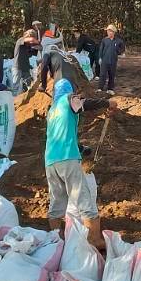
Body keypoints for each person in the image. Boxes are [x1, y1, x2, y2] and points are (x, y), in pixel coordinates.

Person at [45, 77, 103, 248]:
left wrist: (81, 149)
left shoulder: (52, 111)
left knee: (56, 202)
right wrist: (107, 104)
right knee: (84, 200)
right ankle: (94, 240)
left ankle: (58, 240)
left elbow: (59, 137)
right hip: (67, 158)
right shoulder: (68, 99)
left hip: (50, 161)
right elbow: (84, 104)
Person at [98, 24, 125, 94]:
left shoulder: (118, 41)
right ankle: (100, 88)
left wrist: (121, 53)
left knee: (111, 74)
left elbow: (122, 48)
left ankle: (110, 88)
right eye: (108, 31)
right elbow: (101, 49)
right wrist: (100, 58)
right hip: (104, 60)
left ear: (113, 32)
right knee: (103, 74)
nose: (108, 33)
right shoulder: (104, 40)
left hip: (113, 60)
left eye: (110, 31)